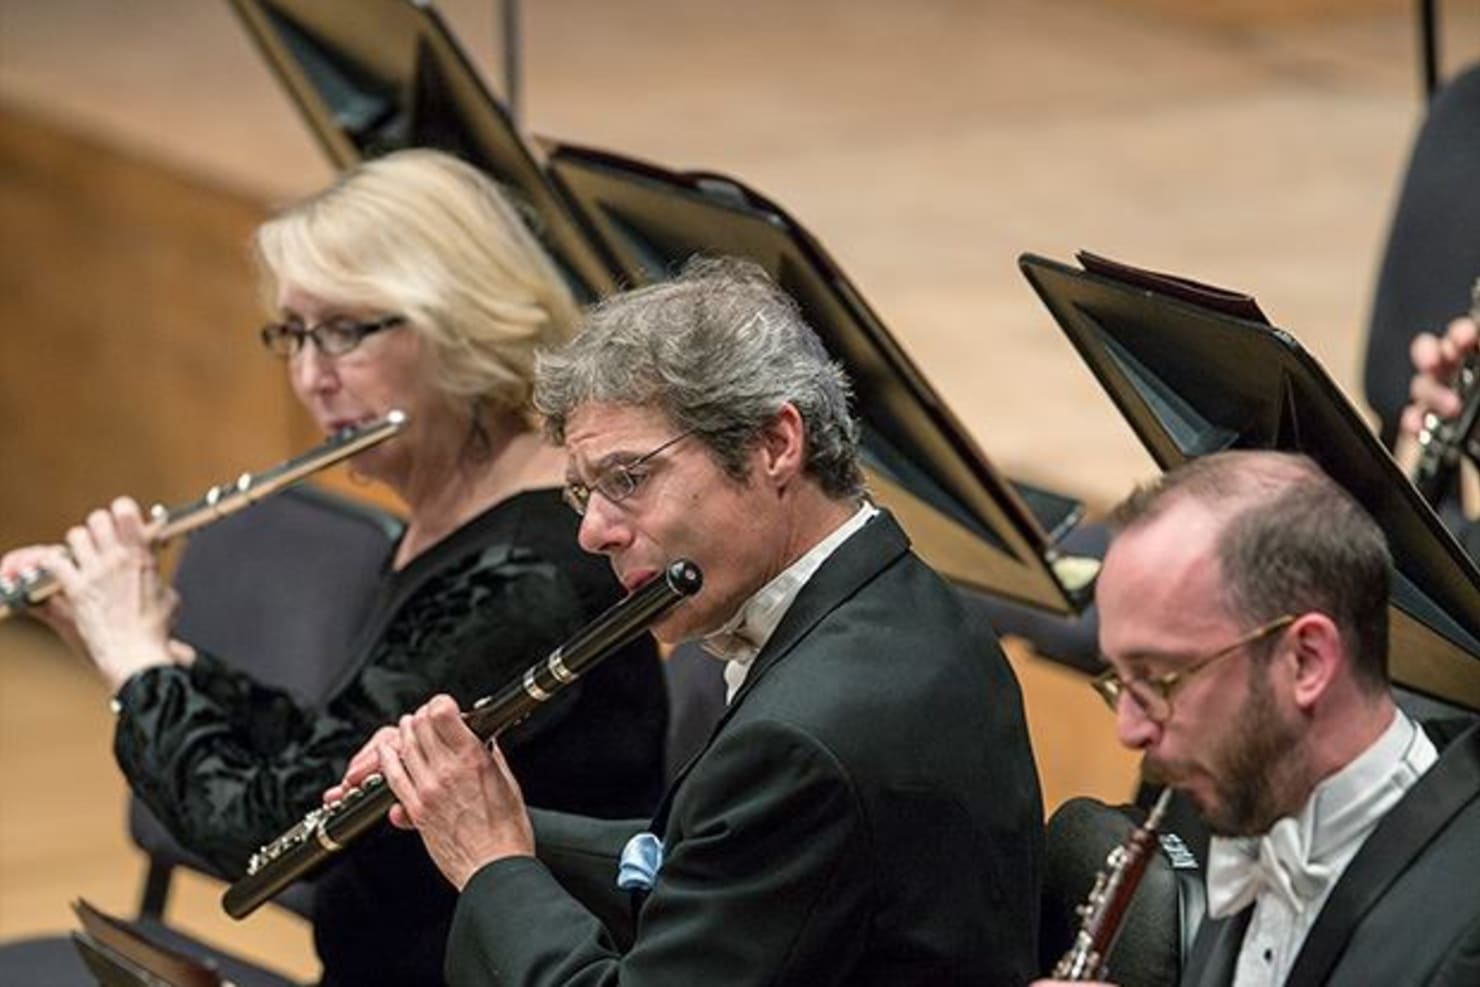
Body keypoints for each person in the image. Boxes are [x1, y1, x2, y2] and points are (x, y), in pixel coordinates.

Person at [0, 149, 668, 986]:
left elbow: (271, 838)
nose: (312, 376)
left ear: (463, 320)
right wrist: (148, 653)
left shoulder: (527, 573)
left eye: (346, 330)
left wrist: (135, 666)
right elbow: (331, 759)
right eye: (293, 334)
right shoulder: (454, 512)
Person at [334, 256, 1044, 985]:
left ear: (774, 444)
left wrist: (492, 863)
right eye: (585, 492)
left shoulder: (803, 739)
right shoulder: (902, 597)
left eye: (629, 478)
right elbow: (707, 861)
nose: (593, 532)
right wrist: (467, 806)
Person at [1032, 451, 1479, 987]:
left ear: (1306, 660)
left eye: (1158, 680)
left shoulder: (1463, 929)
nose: (1130, 730)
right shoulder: (1243, 789)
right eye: (1120, 682)